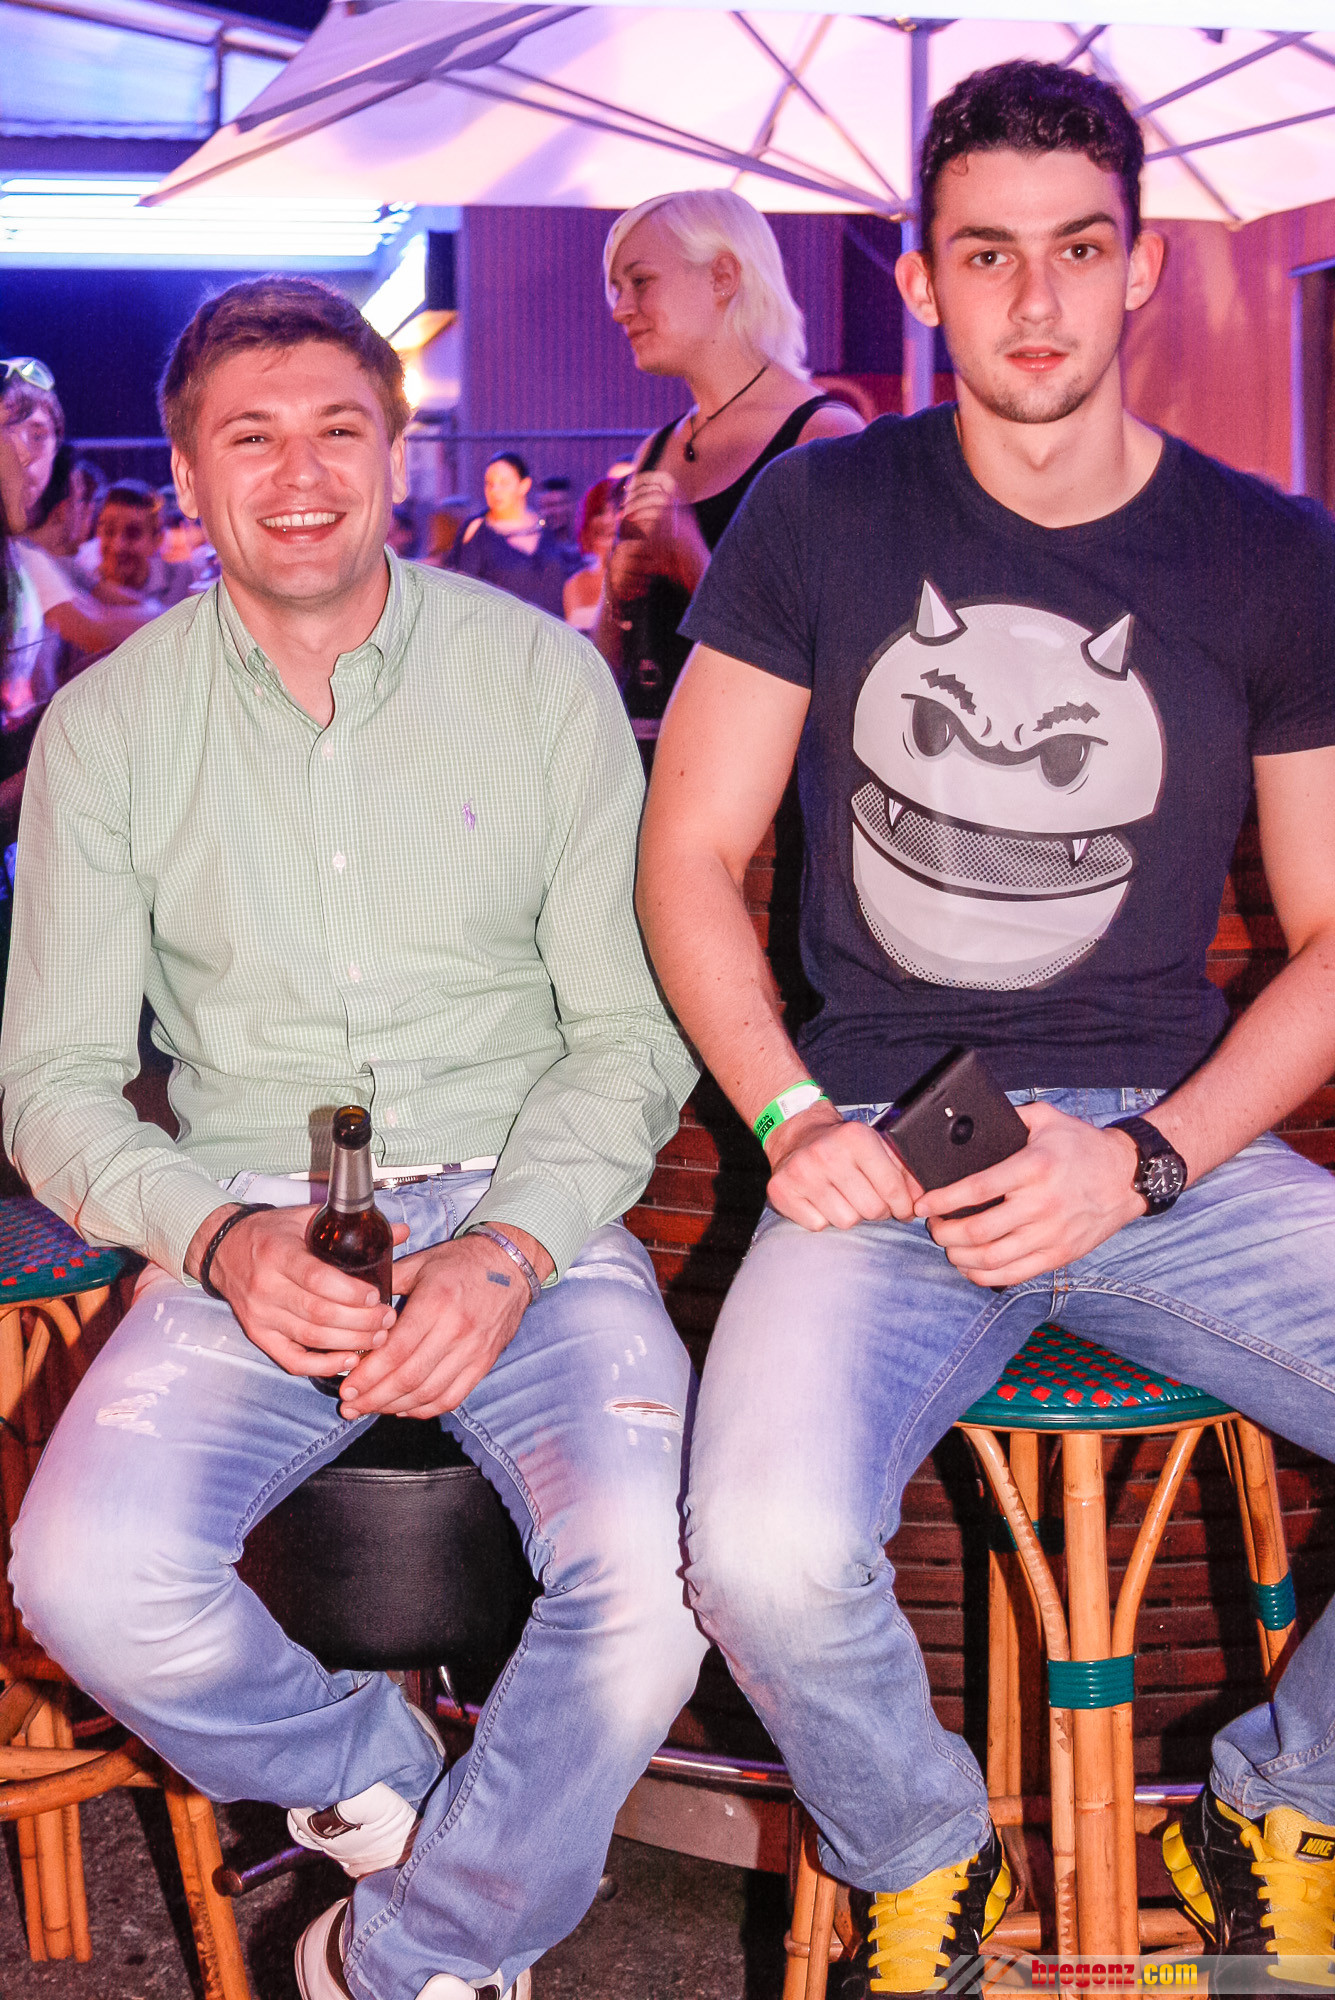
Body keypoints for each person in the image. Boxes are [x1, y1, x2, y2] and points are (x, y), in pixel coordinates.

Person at [637, 59, 1335, 1994]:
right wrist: (785, 1116)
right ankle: (920, 1854)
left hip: (1167, 1148)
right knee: (756, 1548)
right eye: (988, 253)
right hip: (882, 1138)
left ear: (1142, 267)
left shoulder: (1271, 551)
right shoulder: (820, 514)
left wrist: (1152, 1157)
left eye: (1079, 250)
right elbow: (688, 854)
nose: (1036, 300)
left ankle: (1285, 1806)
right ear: (921, 278)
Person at [0, 275, 705, 2000]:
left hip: (527, 1208)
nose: (301, 471)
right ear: (186, 473)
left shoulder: (538, 680)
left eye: (338, 428)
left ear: (395, 454)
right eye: (251, 437)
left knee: (659, 1587)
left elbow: (629, 1037)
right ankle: (394, 1790)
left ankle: (405, 1957)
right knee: (80, 1575)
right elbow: (53, 1085)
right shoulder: (110, 728)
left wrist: (511, 1245)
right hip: (247, 1219)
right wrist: (219, 1239)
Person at [594, 189, 862, 728]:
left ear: (722, 277)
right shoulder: (657, 448)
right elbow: (610, 663)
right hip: (654, 757)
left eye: (640, 282)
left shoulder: (822, 436)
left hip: (767, 774)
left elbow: (841, 661)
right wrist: (618, 593)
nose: (620, 310)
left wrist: (690, 559)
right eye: (618, 289)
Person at [445, 452, 574, 618]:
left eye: (504, 483)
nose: (495, 490)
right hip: (502, 628)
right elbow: (463, 591)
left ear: (524, 485)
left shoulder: (544, 528)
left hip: (552, 627)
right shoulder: (477, 530)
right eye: (489, 483)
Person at [79, 479, 198, 610]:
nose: (117, 546)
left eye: (133, 534)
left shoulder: (184, 580)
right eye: (109, 531)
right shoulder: (81, 589)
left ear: (157, 540)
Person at [562, 476, 617, 633]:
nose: (607, 520)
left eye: (615, 511)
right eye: (600, 512)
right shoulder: (574, 584)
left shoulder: (641, 580)